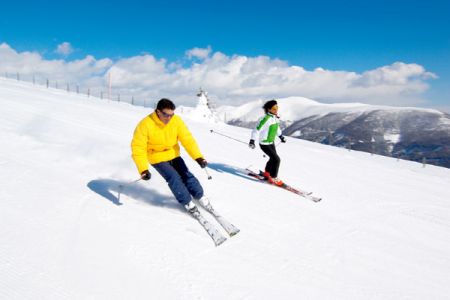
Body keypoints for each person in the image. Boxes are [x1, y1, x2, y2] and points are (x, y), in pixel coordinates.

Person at [131, 98, 210, 214]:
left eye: (171, 115)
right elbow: (138, 148)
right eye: (166, 115)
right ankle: (187, 202)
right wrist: (143, 169)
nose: (169, 118)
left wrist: (198, 157)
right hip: (156, 156)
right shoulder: (145, 125)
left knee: (185, 174)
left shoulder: (176, 121)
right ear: (158, 111)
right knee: (174, 177)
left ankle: (200, 196)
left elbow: (187, 140)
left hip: (173, 153)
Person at [248, 99, 286, 186]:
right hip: (264, 144)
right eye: (274, 109)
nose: (276, 110)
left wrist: (281, 136)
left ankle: (267, 174)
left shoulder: (275, 118)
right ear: (269, 109)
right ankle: (274, 177)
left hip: (271, 142)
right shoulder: (265, 119)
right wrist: (252, 140)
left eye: (277, 108)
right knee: (276, 159)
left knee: (272, 159)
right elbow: (256, 130)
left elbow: (277, 128)